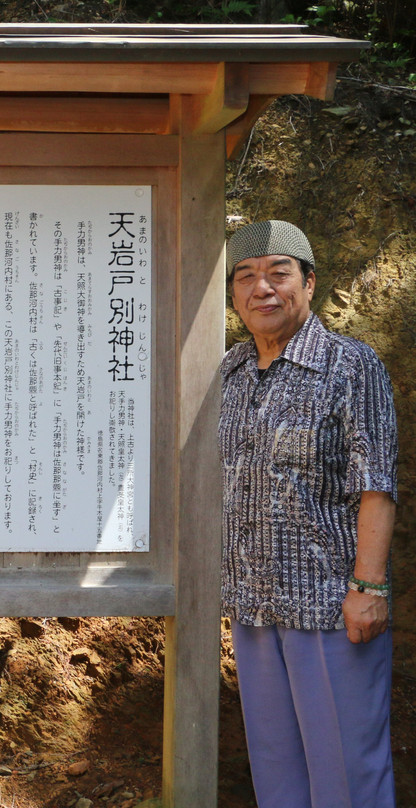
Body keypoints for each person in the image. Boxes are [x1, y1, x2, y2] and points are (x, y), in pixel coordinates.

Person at [218, 220, 397, 808]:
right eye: (245, 277)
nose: (261, 288)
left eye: (278, 273)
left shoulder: (351, 364)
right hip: (252, 605)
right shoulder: (230, 373)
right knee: (276, 770)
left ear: (309, 282)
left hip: (329, 607)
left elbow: (376, 481)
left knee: (346, 772)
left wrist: (368, 584)